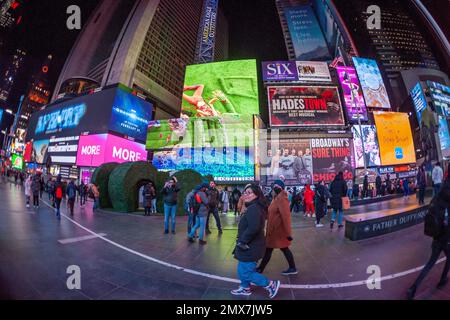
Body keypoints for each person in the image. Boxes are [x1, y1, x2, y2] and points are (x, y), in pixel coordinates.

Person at [231, 184, 281, 298]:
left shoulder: (254, 208)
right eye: (245, 192)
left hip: (250, 246)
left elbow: (254, 228)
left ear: (257, 195)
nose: (246, 195)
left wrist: (242, 241)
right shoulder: (253, 206)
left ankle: (270, 284)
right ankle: (245, 287)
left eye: (249, 192)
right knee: (242, 267)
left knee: (246, 272)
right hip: (249, 244)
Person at [407, 175, 450, 300]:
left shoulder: (443, 187)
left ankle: (413, 288)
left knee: (430, 263)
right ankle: (442, 279)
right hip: (445, 235)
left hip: (437, 233)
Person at [257, 180, 297, 275]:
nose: (273, 188)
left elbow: (286, 216)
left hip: (278, 231)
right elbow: (271, 212)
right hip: (273, 230)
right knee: (281, 249)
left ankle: (260, 269)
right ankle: (292, 267)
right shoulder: (276, 198)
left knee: (271, 249)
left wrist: (288, 233)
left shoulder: (282, 199)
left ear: (280, 187)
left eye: (275, 186)